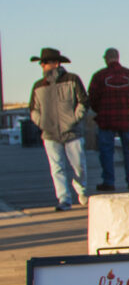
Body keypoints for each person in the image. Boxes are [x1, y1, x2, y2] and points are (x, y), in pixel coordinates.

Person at [28, 47, 89, 211]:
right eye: (41, 63)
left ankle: (81, 190)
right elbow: (33, 109)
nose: (42, 66)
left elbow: (83, 102)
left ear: (55, 63)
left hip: (72, 132)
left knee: (79, 166)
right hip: (49, 134)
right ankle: (64, 199)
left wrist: (74, 120)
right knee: (57, 168)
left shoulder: (73, 79)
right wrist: (43, 123)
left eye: (45, 63)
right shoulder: (38, 86)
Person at [88, 47, 129, 191]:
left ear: (106, 58)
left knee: (106, 151)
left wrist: (101, 110)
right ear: (118, 57)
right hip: (127, 120)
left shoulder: (99, 76)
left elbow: (93, 98)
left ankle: (109, 181)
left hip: (106, 119)